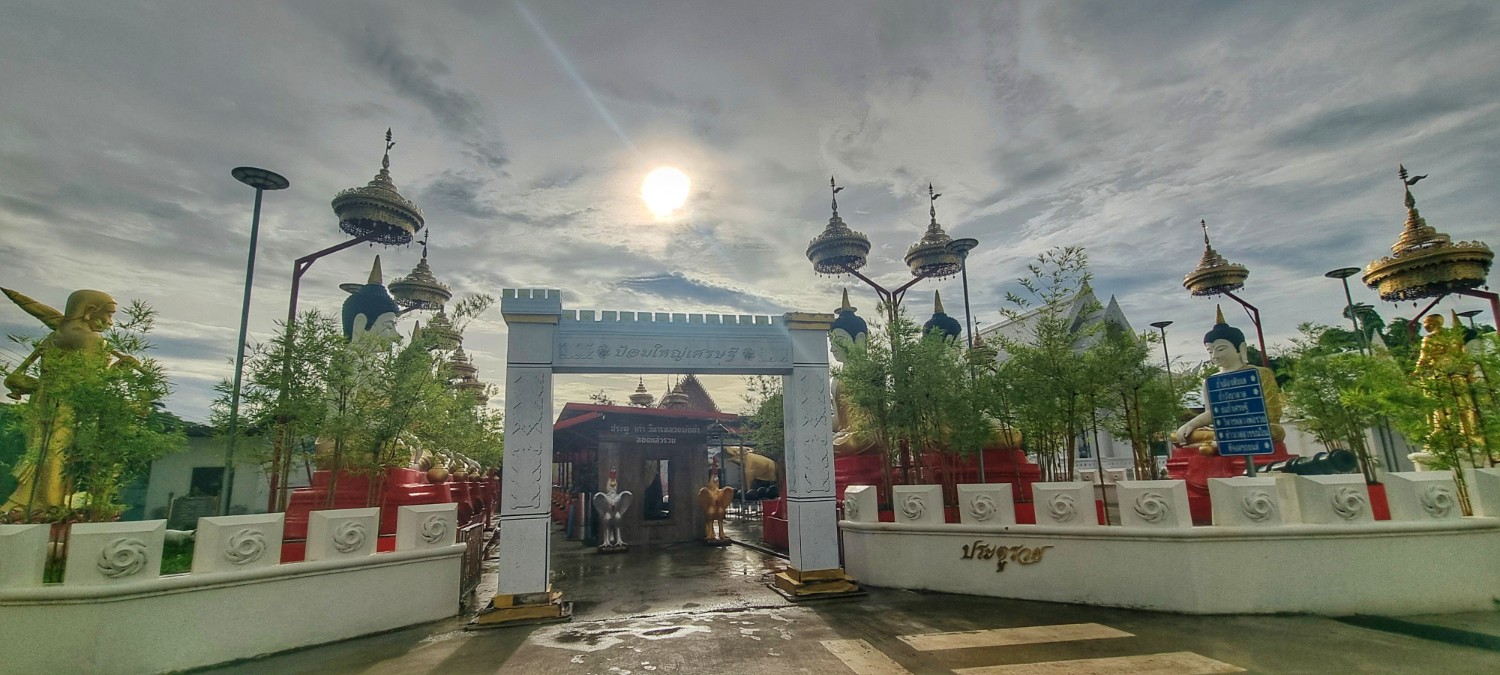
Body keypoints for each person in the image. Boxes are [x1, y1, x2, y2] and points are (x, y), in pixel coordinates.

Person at [2, 288, 125, 513]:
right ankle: (50, 505)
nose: (110, 322)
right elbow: (90, 384)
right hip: (65, 405)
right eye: (109, 314)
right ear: (90, 310)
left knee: (43, 451)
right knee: (56, 453)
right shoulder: (90, 339)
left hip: (43, 401)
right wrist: (118, 369)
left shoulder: (58, 334)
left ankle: (33, 503)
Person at [1172, 306, 1285, 454]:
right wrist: (1191, 424)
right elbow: (1212, 413)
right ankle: (1218, 442)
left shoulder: (1260, 374)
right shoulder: (1210, 381)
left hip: (1256, 427)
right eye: (1210, 351)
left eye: (1220, 349)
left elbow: (1272, 413)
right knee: (1177, 436)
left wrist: (1244, 423)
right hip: (1224, 429)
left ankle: (1219, 443)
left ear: (1241, 348)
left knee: (1274, 431)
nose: (1214, 356)